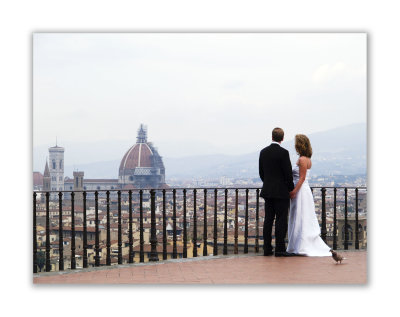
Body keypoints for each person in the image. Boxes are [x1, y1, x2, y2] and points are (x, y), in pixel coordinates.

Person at [287, 134, 331, 256]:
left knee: (299, 216)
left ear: (299, 145)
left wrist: (294, 191)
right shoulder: (308, 159)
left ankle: (298, 245)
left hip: (300, 190)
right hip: (305, 190)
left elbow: (302, 178)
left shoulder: (301, 160)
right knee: (303, 217)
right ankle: (300, 244)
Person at [259, 127, 295, 257]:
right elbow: (288, 174)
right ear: (283, 138)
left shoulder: (263, 152)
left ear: (272, 137)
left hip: (268, 191)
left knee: (268, 220)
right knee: (281, 220)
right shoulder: (284, 153)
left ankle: (267, 248)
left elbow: (261, 173)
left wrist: (268, 183)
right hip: (281, 192)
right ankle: (280, 249)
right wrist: (290, 188)